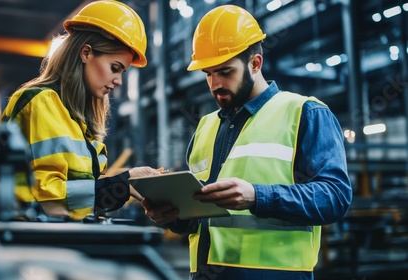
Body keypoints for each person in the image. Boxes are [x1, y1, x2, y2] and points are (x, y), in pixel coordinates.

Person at [141, 5, 352, 280]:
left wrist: (257, 196)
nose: (215, 83)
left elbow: (335, 197)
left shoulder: (306, 113)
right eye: (208, 73)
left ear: (255, 63)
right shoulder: (205, 127)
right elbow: (200, 219)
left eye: (225, 71)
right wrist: (172, 216)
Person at [0, 0, 161, 221]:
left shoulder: (76, 121)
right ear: (86, 53)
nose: (119, 81)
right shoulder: (40, 102)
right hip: (29, 240)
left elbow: (78, 199)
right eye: (115, 68)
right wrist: (121, 183)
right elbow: (46, 197)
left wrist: (126, 182)